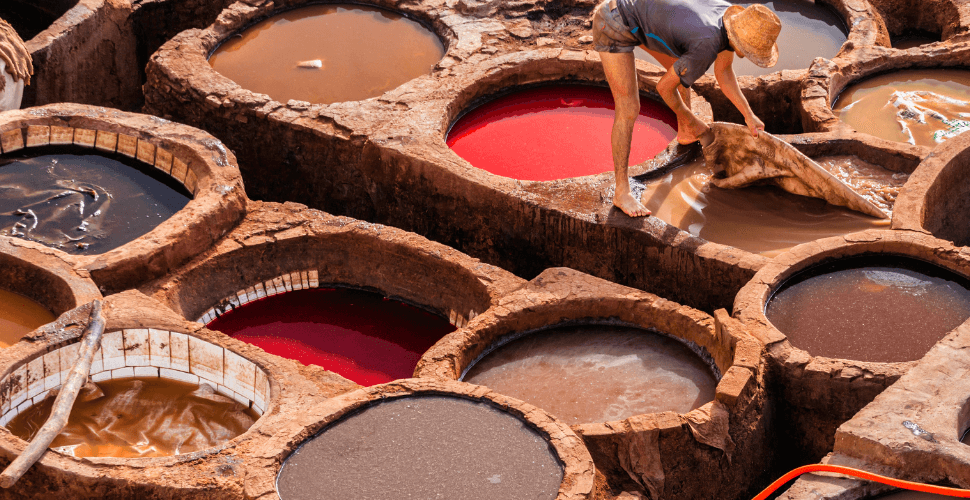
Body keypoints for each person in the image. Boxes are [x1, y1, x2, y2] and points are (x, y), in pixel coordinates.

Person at [591, 0, 781, 217]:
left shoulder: (727, 20)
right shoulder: (707, 44)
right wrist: (694, 120)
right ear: (740, 41)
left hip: (639, 11)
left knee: (682, 73)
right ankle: (622, 192)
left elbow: (724, 71)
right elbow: (663, 88)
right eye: (750, 51)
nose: (747, 55)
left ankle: (685, 131)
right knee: (629, 108)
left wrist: (749, 114)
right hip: (614, 22)